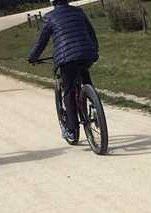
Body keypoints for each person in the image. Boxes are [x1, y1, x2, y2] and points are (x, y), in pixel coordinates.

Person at [27, 0, 99, 142]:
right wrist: (94, 49)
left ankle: (71, 131)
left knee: (68, 92)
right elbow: (91, 32)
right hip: (87, 54)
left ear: (53, 2)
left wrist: (32, 58)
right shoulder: (78, 11)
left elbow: (41, 41)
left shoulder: (49, 17)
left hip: (67, 59)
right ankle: (94, 105)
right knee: (84, 76)